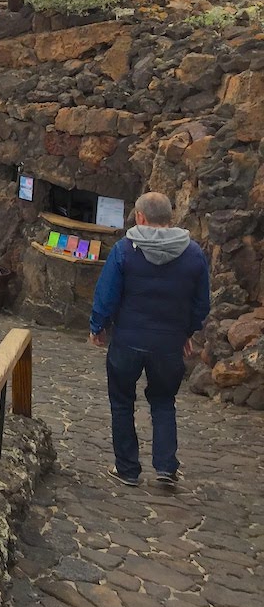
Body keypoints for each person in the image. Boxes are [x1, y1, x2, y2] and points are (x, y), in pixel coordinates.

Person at [89, 192, 211, 487]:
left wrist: (98, 326)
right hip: (168, 345)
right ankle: (166, 467)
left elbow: (107, 294)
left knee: (121, 403)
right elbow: (201, 303)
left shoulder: (124, 250)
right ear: (171, 217)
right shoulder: (193, 254)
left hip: (127, 341)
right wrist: (187, 332)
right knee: (164, 401)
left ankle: (128, 469)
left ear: (140, 217)